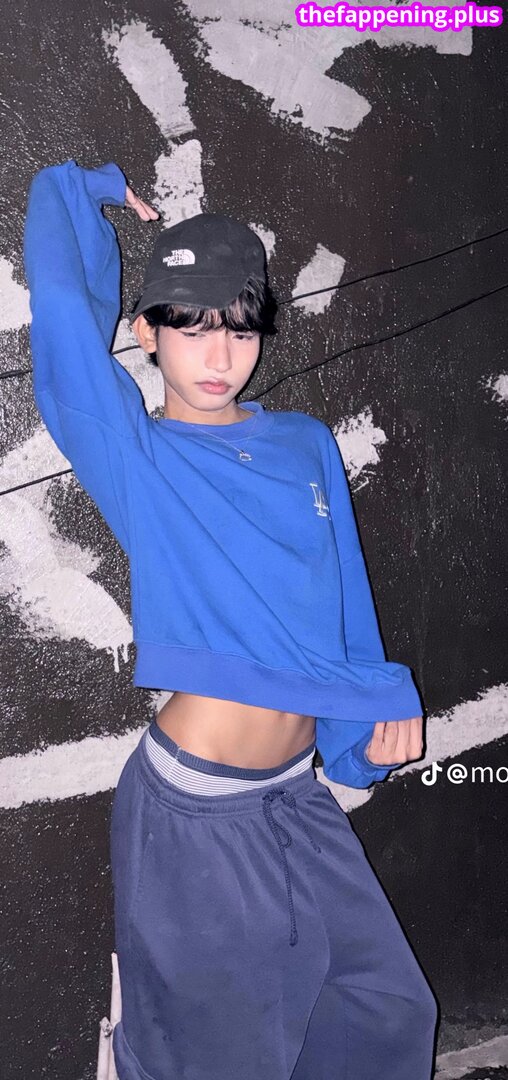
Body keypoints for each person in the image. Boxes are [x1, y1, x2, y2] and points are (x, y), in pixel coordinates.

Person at [23, 159, 438, 1080]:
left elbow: (343, 601)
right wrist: (82, 192)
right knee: (218, 1058)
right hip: (195, 810)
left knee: (384, 1015)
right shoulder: (139, 454)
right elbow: (61, 325)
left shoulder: (303, 443)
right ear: (146, 332)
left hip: (293, 794)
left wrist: (368, 716)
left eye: (241, 330)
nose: (220, 357)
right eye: (192, 327)